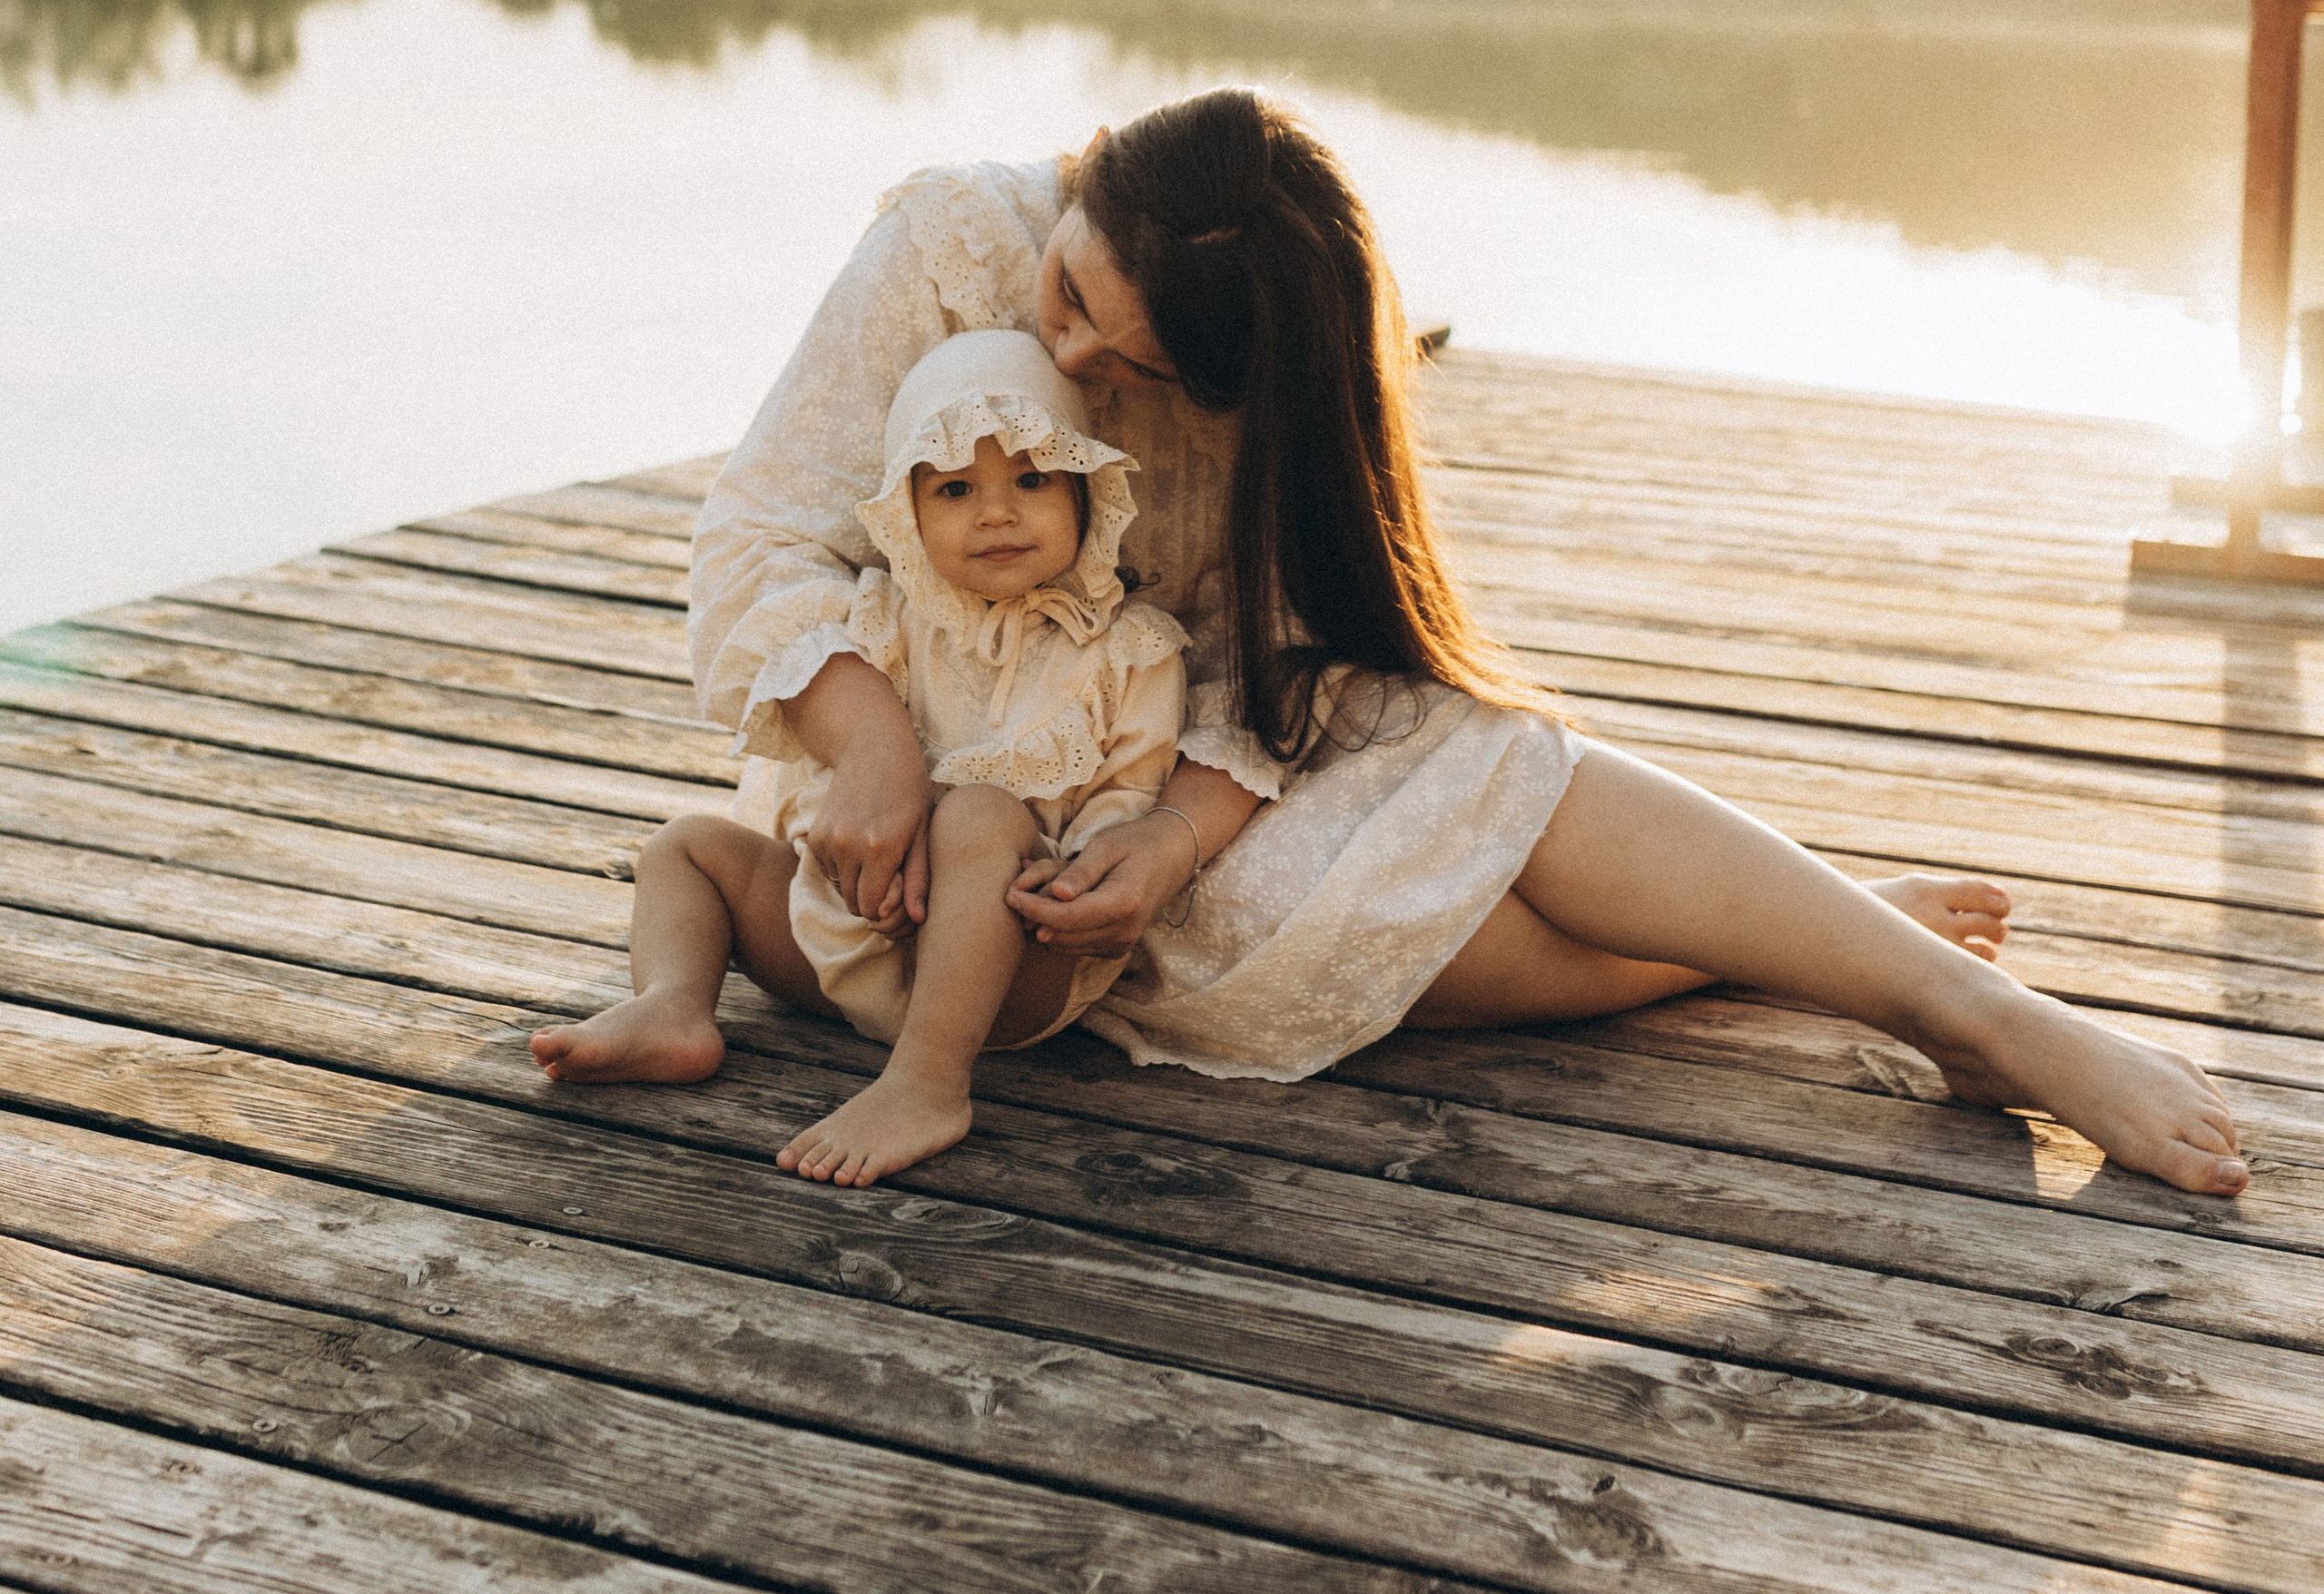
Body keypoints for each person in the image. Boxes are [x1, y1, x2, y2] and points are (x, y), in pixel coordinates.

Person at [687, 89, 2250, 1199]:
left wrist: (1171, 829)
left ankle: (1972, 1014)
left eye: (1139, 367)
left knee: (1483, 766)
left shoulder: (1283, 363)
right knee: (1362, 928)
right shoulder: (956, 236)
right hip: (934, 765)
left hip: (1189, 748)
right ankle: (1820, 943)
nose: (1077, 356)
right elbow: (759, 536)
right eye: (1078, 299)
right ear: (1089, 170)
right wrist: (875, 754)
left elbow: (1286, 661)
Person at [534, 330, 1185, 1183]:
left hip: (1015, 964)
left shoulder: (1129, 648)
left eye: (1031, 479)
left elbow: (1127, 797)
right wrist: (849, 859)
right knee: (687, 848)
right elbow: (826, 781)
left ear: (1086, 493)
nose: (997, 510)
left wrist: (1062, 879)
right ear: (908, 516)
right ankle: (672, 1008)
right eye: (956, 488)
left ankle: (927, 1082)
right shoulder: (880, 622)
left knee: (983, 812)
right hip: (848, 941)